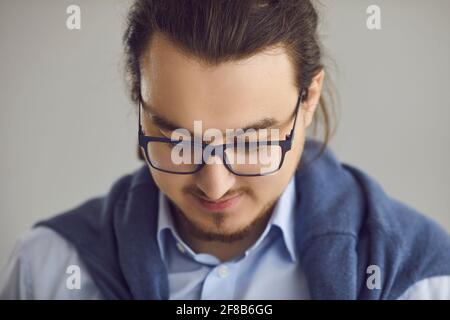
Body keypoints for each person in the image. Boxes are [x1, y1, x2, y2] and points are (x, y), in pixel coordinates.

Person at [1, 0, 450, 300]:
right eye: (178, 138)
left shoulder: (423, 280)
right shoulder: (46, 269)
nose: (215, 184)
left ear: (308, 99)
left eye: (252, 141)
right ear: (139, 101)